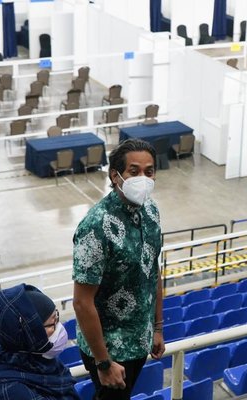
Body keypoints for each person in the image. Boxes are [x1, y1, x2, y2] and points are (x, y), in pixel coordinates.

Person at [72, 139, 164, 400]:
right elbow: (81, 301)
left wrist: (157, 328)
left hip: (140, 340)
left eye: (149, 171)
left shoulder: (152, 211)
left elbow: (152, 268)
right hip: (110, 350)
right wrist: (103, 363)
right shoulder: (96, 225)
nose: (143, 178)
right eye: (134, 172)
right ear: (115, 176)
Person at [0, 284, 79, 400]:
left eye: (57, 318)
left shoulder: (39, 360)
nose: (59, 328)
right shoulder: (8, 392)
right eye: (52, 323)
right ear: (29, 333)